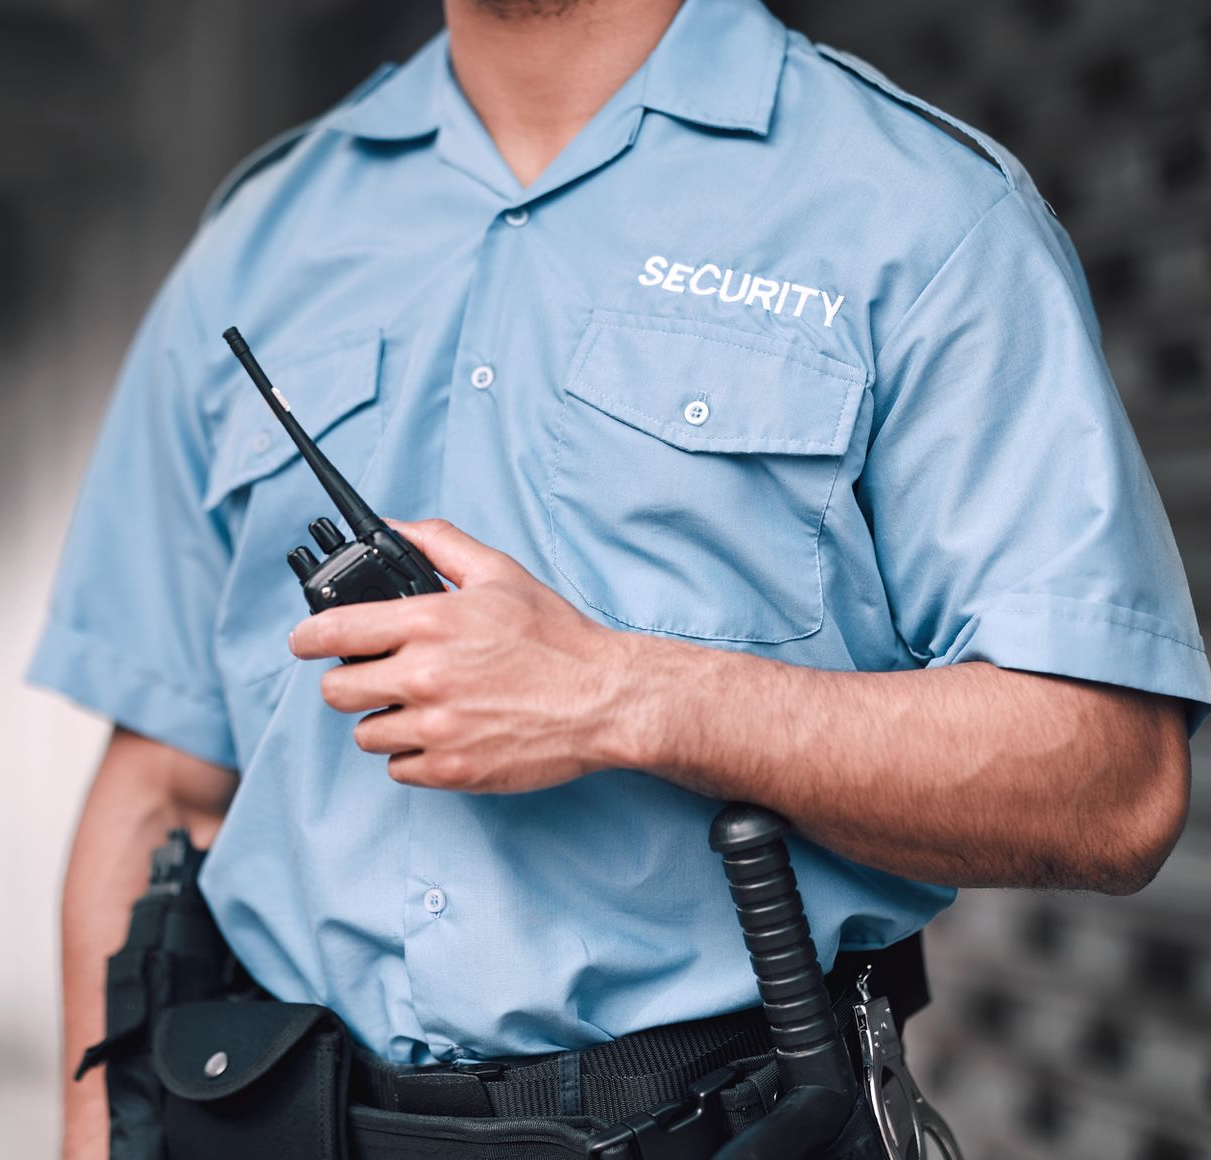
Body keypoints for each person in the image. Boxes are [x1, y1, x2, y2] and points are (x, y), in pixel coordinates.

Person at [32, 0, 1211, 1155]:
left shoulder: (919, 210)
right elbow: (161, 787)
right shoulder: (259, 235)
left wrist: (622, 693)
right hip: (275, 1114)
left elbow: (1113, 783)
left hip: (729, 1121)